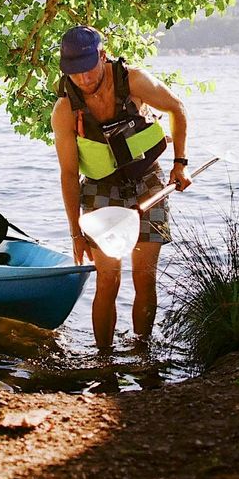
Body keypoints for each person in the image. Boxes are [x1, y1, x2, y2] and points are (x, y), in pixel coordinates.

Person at [51, 25, 191, 350]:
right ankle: (105, 361)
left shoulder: (134, 80)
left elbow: (177, 108)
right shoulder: (65, 111)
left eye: (88, 70)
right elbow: (69, 174)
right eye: (74, 74)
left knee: (144, 276)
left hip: (147, 181)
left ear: (102, 55)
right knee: (108, 278)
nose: (83, 80)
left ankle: (142, 350)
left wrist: (180, 163)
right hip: (101, 190)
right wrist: (75, 232)